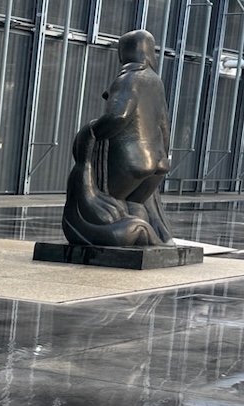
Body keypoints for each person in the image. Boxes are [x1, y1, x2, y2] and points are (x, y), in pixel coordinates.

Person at [61, 29, 175, 247]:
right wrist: (163, 157)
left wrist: (92, 131)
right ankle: (146, 238)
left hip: (131, 160)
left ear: (124, 52)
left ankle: (126, 235)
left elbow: (118, 116)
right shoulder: (155, 81)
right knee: (134, 206)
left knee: (110, 207)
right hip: (157, 163)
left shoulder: (128, 79)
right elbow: (164, 126)